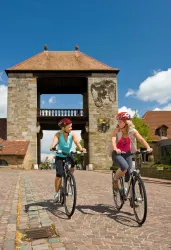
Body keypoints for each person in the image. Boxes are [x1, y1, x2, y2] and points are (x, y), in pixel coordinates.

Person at [112, 112, 153, 190]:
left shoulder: (133, 131)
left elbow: (141, 139)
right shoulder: (116, 130)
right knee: (124, 167)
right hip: (117, 154)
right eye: (118, 121)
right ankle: (115, 180)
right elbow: (113, 140)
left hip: (128, 154)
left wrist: (148, 147)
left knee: (129, 174)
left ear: (126, 122)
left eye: (120, 121)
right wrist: (115, 148)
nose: (118, 123)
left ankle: (131, 195)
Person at [50, 118, 86, 202]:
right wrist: (53, 147)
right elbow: (54, 142)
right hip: (59, 155)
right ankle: (56, 193)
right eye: (69, 127)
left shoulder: (72, 134)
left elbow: (77, 142)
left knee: (73, 166)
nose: (71, 128)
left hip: (68, 155)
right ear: (64, 127)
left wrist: (81, 148)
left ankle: (69, 177)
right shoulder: (58, 134)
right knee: (59, 174)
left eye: (71, 126)